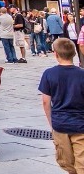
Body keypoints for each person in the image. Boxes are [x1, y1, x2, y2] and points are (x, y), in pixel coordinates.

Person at [39, 38, 84, 174]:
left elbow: (46, 102)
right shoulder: (82, 74)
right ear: (74, 53)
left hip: (60, 123)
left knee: (66, 161)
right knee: (82, 161)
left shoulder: (49, 73)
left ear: (56, 54)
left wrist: (51, 122)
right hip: (81, 124)